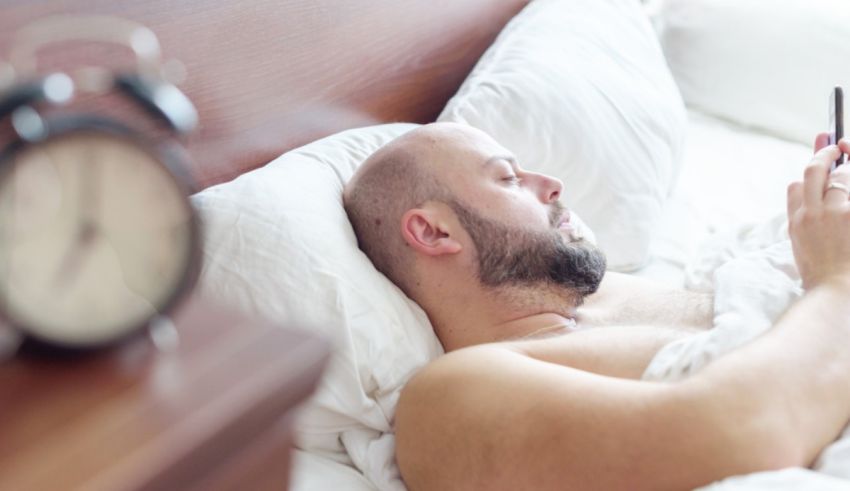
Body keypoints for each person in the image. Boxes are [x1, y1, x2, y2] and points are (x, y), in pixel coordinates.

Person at [342, 122, 850, 490]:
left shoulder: (610, 293)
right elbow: (743, 438)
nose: (553, 185)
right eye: (509, 178)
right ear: (433, 231)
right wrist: (837, 279)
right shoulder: (449, 399)